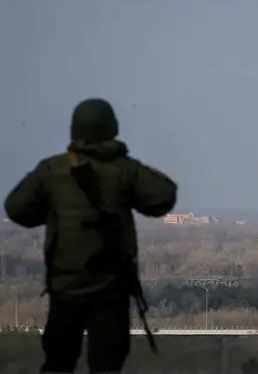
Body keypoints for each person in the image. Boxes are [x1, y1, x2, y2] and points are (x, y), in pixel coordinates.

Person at [4, 98, 177, 374]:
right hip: (111, 290)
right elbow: (164, 196)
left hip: (65, 288)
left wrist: (49, 212)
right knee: (107, 365)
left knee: (58, 363)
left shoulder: (51, 170)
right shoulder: (124, 170)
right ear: (112, 128)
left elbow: (16, 208)